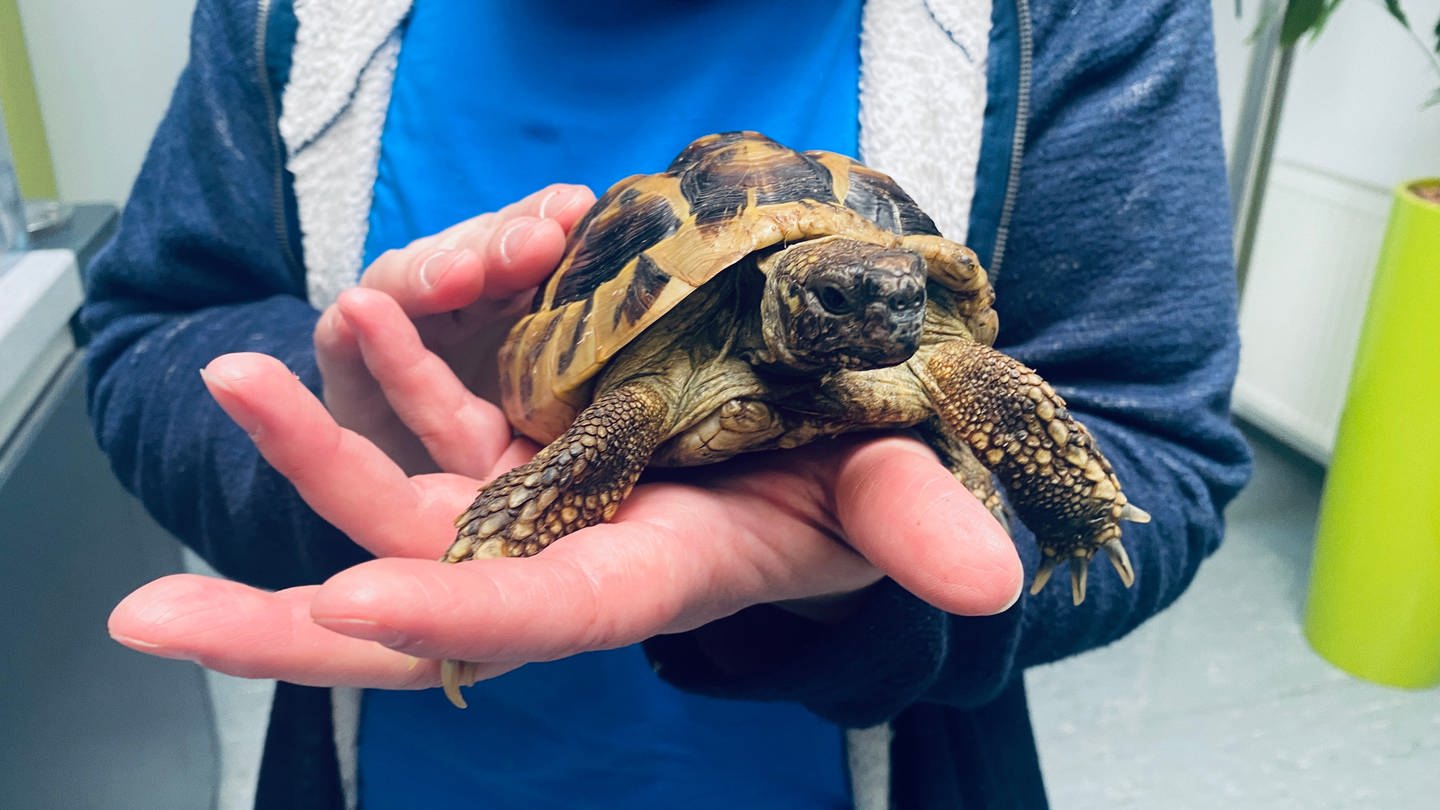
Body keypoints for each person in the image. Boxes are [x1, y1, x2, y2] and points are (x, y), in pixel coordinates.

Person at [84, 0, 1252, 807]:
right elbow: (151, 327)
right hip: (400, 767)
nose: (881, 322)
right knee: (618, 429)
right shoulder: (288, 25)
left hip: (894, 761)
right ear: (788, 301)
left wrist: (1029, 527)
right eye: (842, 297)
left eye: (894, 300)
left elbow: (1150, 439)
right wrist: (344, 461)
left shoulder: (1074, 32)